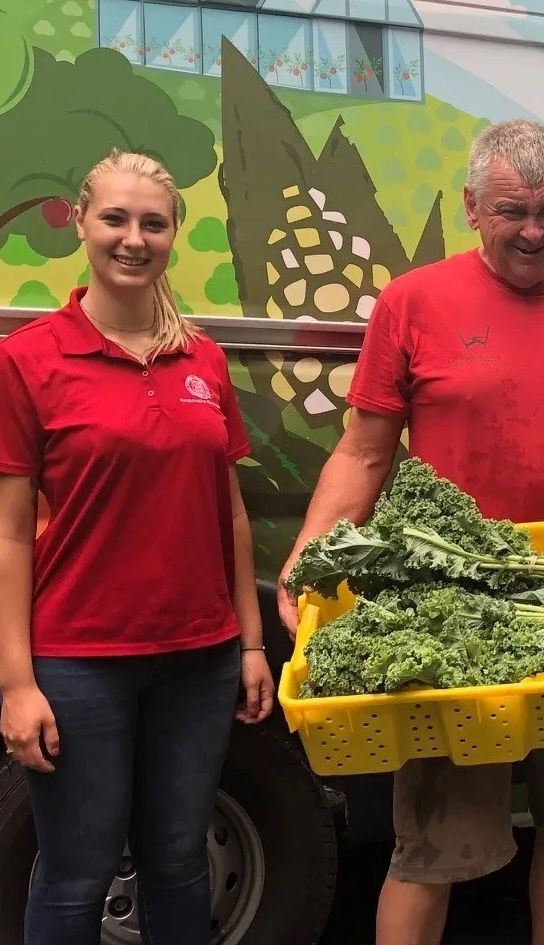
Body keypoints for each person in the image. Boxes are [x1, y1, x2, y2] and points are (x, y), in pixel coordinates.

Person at [277, 119, 544, 945]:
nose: (534, 231)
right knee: (432, 845)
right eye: (513, 211)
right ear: (472, 208)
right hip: (450, 617)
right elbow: (363, 452)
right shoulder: (413, 302)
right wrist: (308, 552)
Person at [0, 150, 274, 945]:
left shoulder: (204, 358)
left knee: (179, 859)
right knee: (77, 871)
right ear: (82, 224)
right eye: (115, 218)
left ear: (173, 235)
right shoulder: (29, 360)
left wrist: (250, 644)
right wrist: (16, 682)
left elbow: (230, 514)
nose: (133, 238)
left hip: (200, 658)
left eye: (153, 223)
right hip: (79, 661)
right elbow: (10, 531)